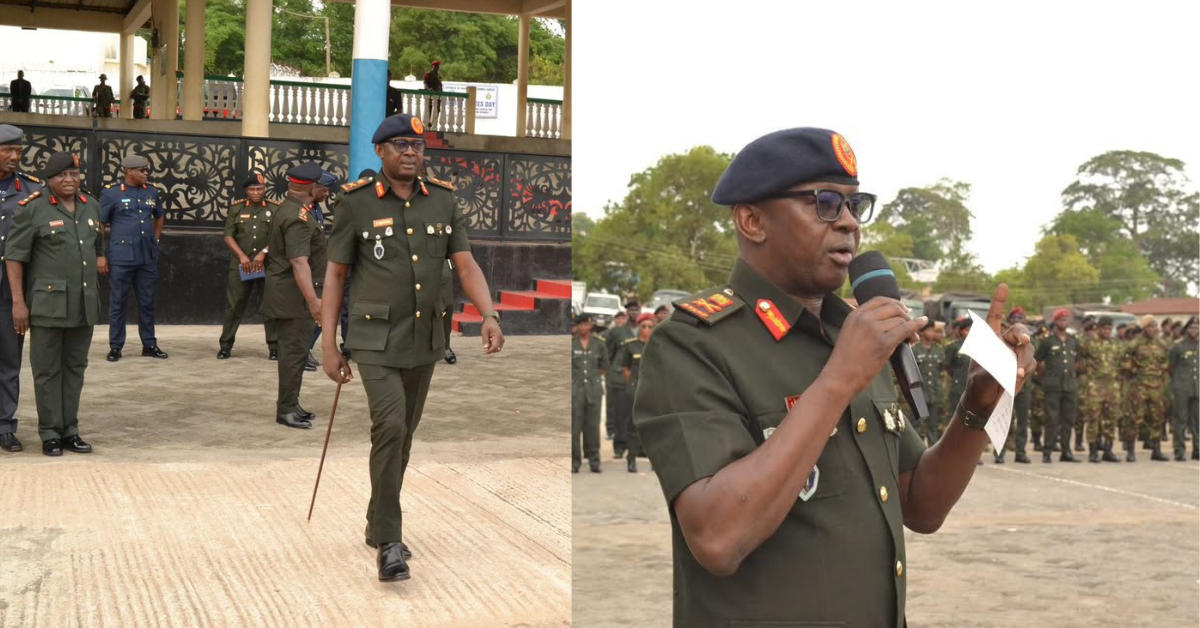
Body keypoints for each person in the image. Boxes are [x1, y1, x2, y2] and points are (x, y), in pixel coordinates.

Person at [632, 127, 1035, 627]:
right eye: (823, 203)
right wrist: (837, 381)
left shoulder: (853, 335)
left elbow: (922, 506)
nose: (848, 222)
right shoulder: (693, 344)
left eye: (853, 203)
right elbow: (718, 539)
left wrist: (977, 402)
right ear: (753, 220)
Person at [320, 113, 506, 582]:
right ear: (379, 151)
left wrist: (489, 314)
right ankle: (389, 542)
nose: (411, 152)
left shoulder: (442, 201)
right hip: (373, 340)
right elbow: (336, 276)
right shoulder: (356, 204)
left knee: (402, 436)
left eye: (418, 146)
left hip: (425, 339)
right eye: (400, 144)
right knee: (390, 425)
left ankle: (374, 521)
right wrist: (327, 343)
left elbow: (465, 266)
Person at [4, 152, 106, 456]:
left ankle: (69, 430)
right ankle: (49, 432)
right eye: (62, 175)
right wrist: (18, 303)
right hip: (47, 305)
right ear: (49, 179)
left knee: (75, 368)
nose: (69, 180)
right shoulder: (32, 208)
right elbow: (14, 257)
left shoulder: (92, 206)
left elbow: (96, 244)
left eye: (74, 175)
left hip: (83, 304)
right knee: (47, 371)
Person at [261, 162, 325, 430]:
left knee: (296, 354)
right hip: (294, 298)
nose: (325, 190)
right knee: (293, 354)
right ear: (311, 187)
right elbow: (299, 262)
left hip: (290, 295)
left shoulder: (290, 209)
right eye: (322, 185)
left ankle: (291, 403)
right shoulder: (297, 217)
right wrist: (314, 302)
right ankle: (286, 409)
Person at [99, 154, 167, 362]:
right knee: (118, 302)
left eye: (146, 170)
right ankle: (116, 346)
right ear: (129, 172)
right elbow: (100, 224)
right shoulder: (112, 194)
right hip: (121, 257)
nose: (146, 173)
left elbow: (159, 216)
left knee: (146, 302)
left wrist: (155, 239)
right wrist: (101, 254)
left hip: (146, 256)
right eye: (142, 170)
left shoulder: (152, 192)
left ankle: (149, 344)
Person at [0, 124, 42, 453]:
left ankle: (4, 426)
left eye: (18, 151)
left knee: (9, 361)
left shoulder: (31, 191)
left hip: (9, 292)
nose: (15, 157)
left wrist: (21, 300)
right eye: (8, 151)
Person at [217, 172, 279, 360]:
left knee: (269, 305)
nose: (256, 192)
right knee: (234, 305)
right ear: (246, 190)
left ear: (265, 189)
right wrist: (242, 256)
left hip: (266, 265)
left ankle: (274, 347)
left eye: (259, 189)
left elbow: (279, 236)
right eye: (252, 189)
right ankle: (226, 345)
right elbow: (228, 235)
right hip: (241, 265)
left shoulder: (275, 209)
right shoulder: (236, 209)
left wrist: (264, 252)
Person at [1034, 308, 1081, 463]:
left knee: (1068, 419)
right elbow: (1037, 361)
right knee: (1052, 419)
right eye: (1061, 319)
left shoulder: (1073, 340)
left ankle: (1066, 451)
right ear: (1055, 322)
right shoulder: (1047, 341)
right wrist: (1044, 378)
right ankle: (1047, 451)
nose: (1064, 322)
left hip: (1070, 386)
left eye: (1066, 319)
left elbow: (1078, 361)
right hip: (1052, 386)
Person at [1121, 315, 1169, 461]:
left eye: (1155, 326)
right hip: (1139, 385)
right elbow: (1123, 361)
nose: (1154, 329)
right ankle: (1130, 451)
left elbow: (1166, 361)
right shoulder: (1134, 344)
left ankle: (1156, 450)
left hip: (1156, 386)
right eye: (1151, 326)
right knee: (1135, 417)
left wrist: (1160, 370)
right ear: (1144, 328)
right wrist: (1135, 371)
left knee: (1157, 417)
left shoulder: (1161, 344)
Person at [617, 312, 655, 473]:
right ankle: (631, 459)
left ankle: (656, 461)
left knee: (655, 427)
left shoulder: (657, 345)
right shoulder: (631, 345)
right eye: (643, 326)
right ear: (638, 328)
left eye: (649, 326)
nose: (646, 329)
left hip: (653, 391)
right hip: (636, 390)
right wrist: (631, 387)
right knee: (635, 427)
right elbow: (625, 369)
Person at [571, 312, 607, 473]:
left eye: (586, 324)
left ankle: (594, 461)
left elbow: (604, 365)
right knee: (574, 428)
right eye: (580, 324)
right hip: (575, 391)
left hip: (593, 390)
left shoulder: (599, 344)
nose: (583, 327)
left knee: (592, 427)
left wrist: (593, 379)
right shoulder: (571, 344)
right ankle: (574, 462)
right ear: (577, 327)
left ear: (591, 326)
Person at [1168, 316, 1199, 460]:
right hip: (1181, 389)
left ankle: (1197, 449)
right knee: (1180, 420)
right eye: (1192, 328)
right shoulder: (1178, 346)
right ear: (1186, 330)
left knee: (1197, 421)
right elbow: (1170, 368)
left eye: (1197, 327)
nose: (1194, 330)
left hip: (1197, 388)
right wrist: (1176, 384)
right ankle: (1179, 451)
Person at [911, 319, 945, 446]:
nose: (931, 333)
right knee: (918, 424)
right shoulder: (914, 350)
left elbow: (942, 370)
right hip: (919, 392)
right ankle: (916, 451)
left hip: (934, 392)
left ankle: (933, 451)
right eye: (928, 330)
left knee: (933, 425)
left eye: (933, 330)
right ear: (922, 332)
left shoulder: (939, 350)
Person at [603, 310, 629, 442]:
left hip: (626, 372)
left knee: (623, 403)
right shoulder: (611, 332)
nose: (620, 321)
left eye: (622, 318)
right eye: (618, 318)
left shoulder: (629, 332)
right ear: (614, 320)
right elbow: (608, 351)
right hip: (613, 372)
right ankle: (610, 429)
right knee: (611, 403)